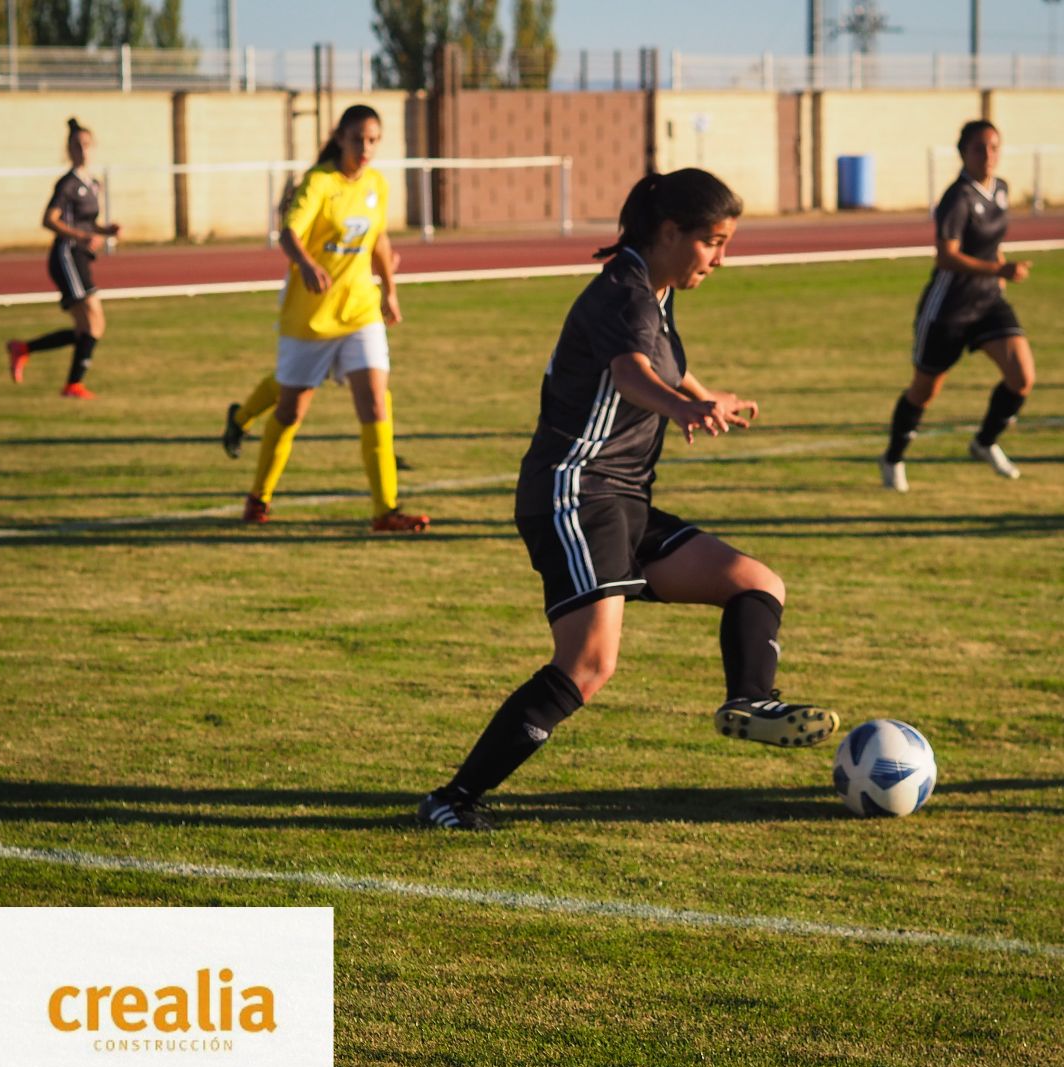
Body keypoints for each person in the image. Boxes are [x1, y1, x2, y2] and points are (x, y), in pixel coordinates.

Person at [418, 169, 840, 831]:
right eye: (713, 242)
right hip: (575, 492)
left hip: (620, 499)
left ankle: (751, 704)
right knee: (589, 664)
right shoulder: (625, 291)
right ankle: (452, 799)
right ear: (670, 232)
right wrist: (682, 408)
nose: (722, 258)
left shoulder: (656, 291)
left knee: (756, 584)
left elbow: (661, 364)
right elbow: (631, 373)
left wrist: (704, 397)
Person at [229, 104, 429, 533]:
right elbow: (289, 231)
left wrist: (389, 290)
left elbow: (377, 238)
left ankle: (385, 511)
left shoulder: (376, 184)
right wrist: (304, 263)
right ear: (340, 138)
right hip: (311, 317)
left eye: (373, 140)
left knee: (375, 401)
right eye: (357, 139)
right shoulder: (319, 183)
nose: (365, 148)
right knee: (290, 409)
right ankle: (258, 498)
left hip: (359, 311)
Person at [879, 119, 1036, 492]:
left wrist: (997, 274)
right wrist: (1000, 268)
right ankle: (893, 458)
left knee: (1022, 377)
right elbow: (945, 257)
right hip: (949, 307)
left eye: (994, 147)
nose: (989, 155)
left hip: (989, 302)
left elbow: (991, 240)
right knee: (924, 390)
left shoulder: (1000, 189)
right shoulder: (957, 197)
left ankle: (984, 443)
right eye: (980, 148)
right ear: (963, 153)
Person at [5, 118, 121, 399]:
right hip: (66, 255)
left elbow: (88, 222)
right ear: (69, 150)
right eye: (76, 145)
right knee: (93, 321)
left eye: (86, 144)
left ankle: (29, 353)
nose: (82, 149)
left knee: (90, 328)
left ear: (93, 148)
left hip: (80, 256)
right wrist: (79, 236)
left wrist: (105, 230)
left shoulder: (94, 183)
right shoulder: (67, 184)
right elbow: (49, 220)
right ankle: (71, 383)